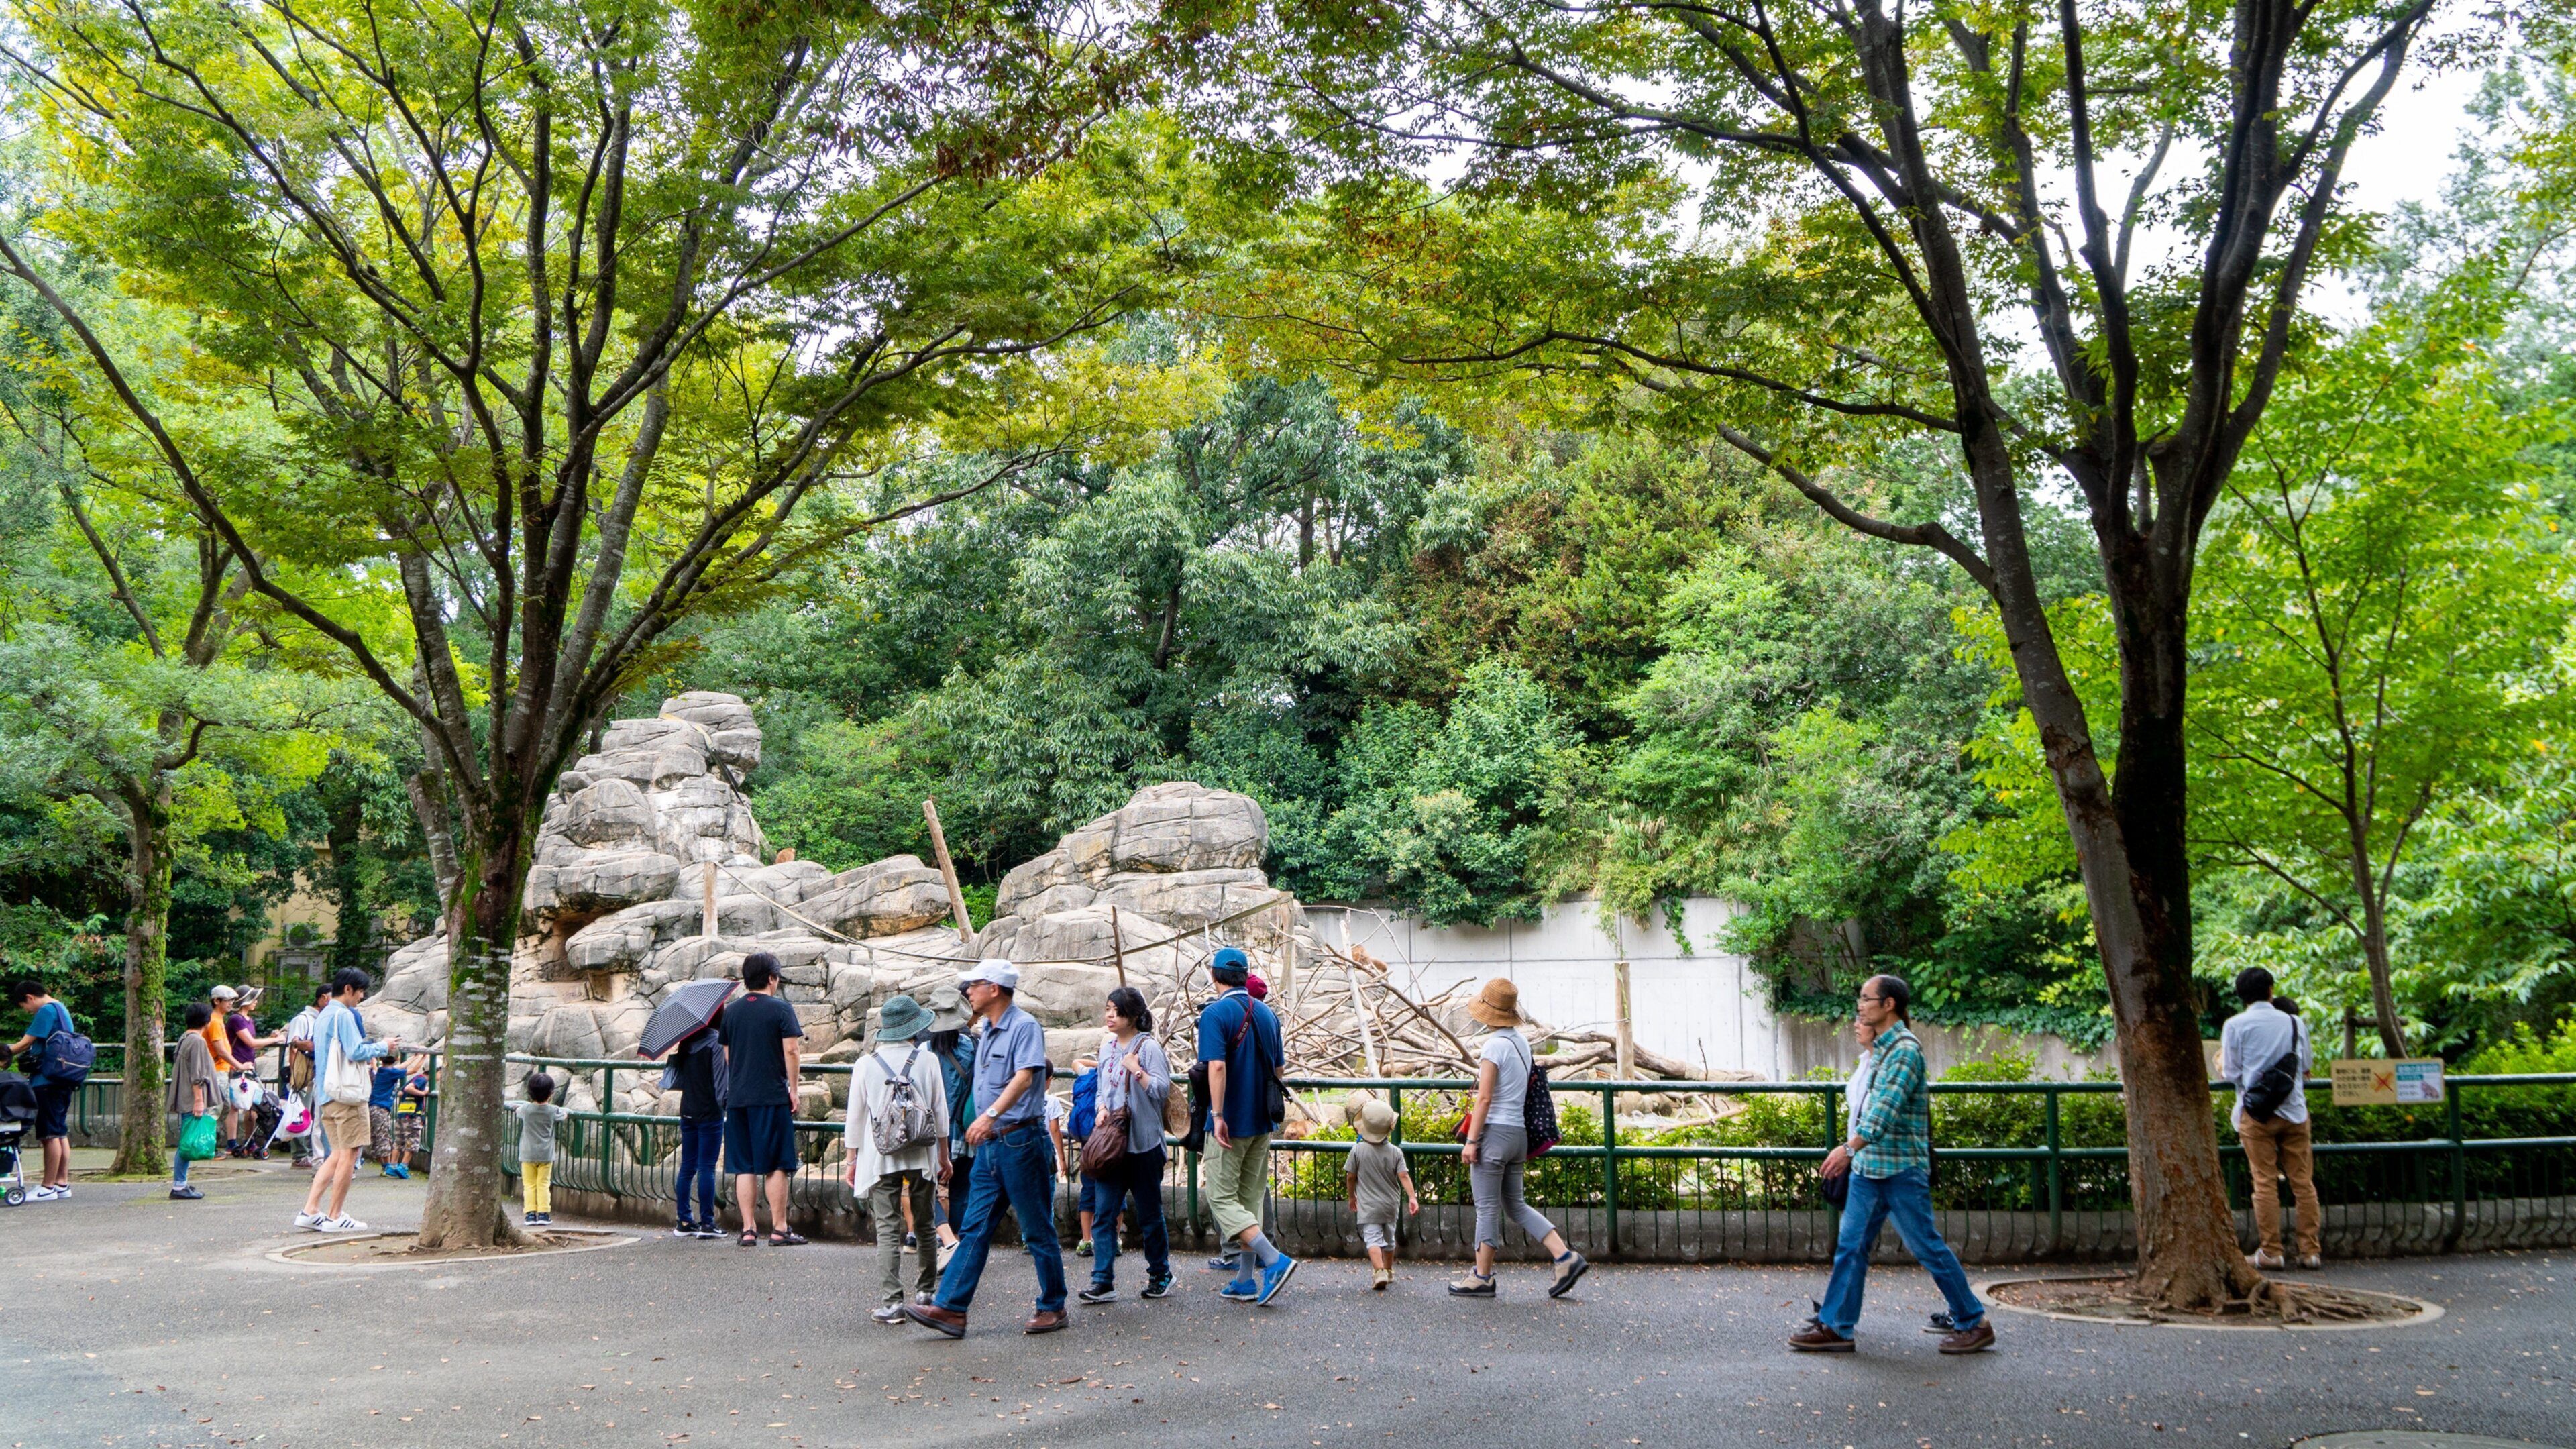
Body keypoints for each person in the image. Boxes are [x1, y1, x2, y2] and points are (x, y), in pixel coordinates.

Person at [1790, 974, 1992, 1355]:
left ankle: (1973, 1320)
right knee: (1850, 1247)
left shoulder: (1904, 1050)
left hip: (1899, 1171)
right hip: (1870, 1171)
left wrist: (1847, 1150)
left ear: (1889, 1005)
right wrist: (1856, 1154)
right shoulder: (1882, 1047)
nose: (1860, 1006)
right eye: (1860, 999)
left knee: (1927, 1247)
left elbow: (1881, 1115)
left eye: (1867, 999)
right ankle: (1836, 1327)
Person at [904, 959, 1069, 1338]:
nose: (969, 992)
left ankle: (1053, 1305)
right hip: (991, 1146)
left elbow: (1026, 1076)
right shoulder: (989, 1030)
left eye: (974, 985)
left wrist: (990, 1115)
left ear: (994, 988)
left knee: (1037, 1227)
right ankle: (951, 1309)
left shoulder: (1024, 1026)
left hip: (1019, 1141)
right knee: (975, 1228)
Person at [1450, 978, 1587, 1300]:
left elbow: (1484, 1099)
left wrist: (1471, 1141)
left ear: (1487, 1012)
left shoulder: (1493, 1045)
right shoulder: (1522, 1044)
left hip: (1494, 1136)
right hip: (1518, 1135)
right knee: (1515, 1204)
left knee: (1486, 1207)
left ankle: (1482, 1277)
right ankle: (1565, 1257)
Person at [1197, 946, 1297, 1307]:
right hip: (1263, 1120)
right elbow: (1279, 1070)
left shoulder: (1215, 1013)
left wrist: (1219, 1115)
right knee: (1250, 1198)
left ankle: (1274, 1261)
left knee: (1221, 1198)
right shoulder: (1268, 1014)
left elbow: (1217, 1067)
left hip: (1232, 1121)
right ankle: (1244, 1281)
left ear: (1214, 975)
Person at [845, 994, 952, 1324]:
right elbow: (939, 1112)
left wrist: (852, 1159)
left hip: (881, 1155)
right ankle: (926, 1292)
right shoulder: (927, 1060)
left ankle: (892, 1304)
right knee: (923, 1225)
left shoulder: (866, 1064)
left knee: (888, 1228)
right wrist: (944, 1157)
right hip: (922, 1154)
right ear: (913, 1028)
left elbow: (856, 1118)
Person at [1077, 986, 1174, 1305]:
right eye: (1107, 1009)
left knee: (1149, 1215)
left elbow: (1162, 1091)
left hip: (1143, 1145)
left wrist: (1138, 1071)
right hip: (1111, 1147)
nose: (1109, 1016)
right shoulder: (1106, 1048)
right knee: (1104, 1214)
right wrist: (1102, 1107)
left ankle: (1160, 1273)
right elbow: (1102, 1088)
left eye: (1115, 1011)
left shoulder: (1148, 1048)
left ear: (1132, 1016)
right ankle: (1103, 1281)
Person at [2221, 966, 2321, 1271]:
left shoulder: (2235, 1025)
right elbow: (2306, 1064)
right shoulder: (2294, 1022)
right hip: (2294, 1111)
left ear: (2241, 997)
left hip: (2257, 1114)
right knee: (2303, 1183)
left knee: (2264, 1183)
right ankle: (2310, 1252)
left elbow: (2233, 1072)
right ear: (2271, 990)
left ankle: (2272, 1252)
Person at [297, 967, 398, 1232]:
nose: (362, 997)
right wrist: (384, 1047)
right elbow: (355, 1051)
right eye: (361, 991)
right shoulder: (343, 1015)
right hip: (347, 1095)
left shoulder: (323, 1014)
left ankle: (310, 1210)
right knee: (351, 1153)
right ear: (349, 989)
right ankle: (335, 1215)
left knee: (337, 1153)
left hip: (327, 1093)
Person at [719, 952, 807, 1246]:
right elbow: (792, 1051)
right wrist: (793, 1089)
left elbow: (728, 1056)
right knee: (776, 1164)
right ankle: (780, 1228)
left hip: (739, 1097)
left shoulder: (730, 1012)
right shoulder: (781, 1009)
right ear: (772, 978)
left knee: (743, 1164)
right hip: (771, 1096)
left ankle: (747, 1229)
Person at [5, 980, 76, 1201]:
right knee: (60, 1132)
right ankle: (61, 1183)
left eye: (24, 1006)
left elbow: (25, 1044)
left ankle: (47, 1188)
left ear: (30, 997)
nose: (27, 1011)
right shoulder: (61, 1008)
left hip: (47, 1081)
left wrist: (5, 1052)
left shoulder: (45, 1010)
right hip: (64, 1079)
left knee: (49, 1135)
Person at [925, 984, 975, 1265]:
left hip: (929, 1134)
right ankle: (958, 1245)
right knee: (961, 1192)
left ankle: (948, 1241)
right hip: (964, 1131)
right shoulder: (974, 1047)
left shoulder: (922, 1051)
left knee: (925, 1190)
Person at [1345, 1097, 1418, 1289]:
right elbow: (1403, 1175)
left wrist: (1352, 1196)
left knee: (1373, 1240)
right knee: (1389, 1239)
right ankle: (1389, 1270)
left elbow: (1351, 1177)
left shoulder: (1357, 1151)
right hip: (1390, 1205)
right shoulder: (1396, 1152)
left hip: (1369, 1206)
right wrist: (1412, 1197)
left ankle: (1379, 1272)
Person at [667, 1028, 726, 1239]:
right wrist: (726, 1105)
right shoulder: (716, 1044)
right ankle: (707, 1223)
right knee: (707, 1168)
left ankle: (684, 1221)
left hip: (688, 1110)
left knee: (687, 1167)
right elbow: (721, 1082)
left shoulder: (686, 1042)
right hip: (709, 1112)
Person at [168, 1002, 225, 1201]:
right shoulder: (198, 1042)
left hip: (185, 1096)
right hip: (191, 1099)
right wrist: (199, 1100)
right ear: (206, 1021)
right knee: (188, 1143)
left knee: (187, 1140)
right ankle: (179, 1185)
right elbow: (197, 1074)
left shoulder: (186, 1038)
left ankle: (181, 1183)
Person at [282, 985, 331, 1168]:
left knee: (310, 1113)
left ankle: (308, 1152)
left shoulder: (322, 1019)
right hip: (301, 1072)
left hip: (314, 1071)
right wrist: (294, 1075)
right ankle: (300, 1154)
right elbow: (293, 1046)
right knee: (299, 1112)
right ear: (323, 998)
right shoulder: (302, 1019)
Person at [513, 1071, 570, 1226]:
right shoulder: (552, 1111)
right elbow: (563, 1116)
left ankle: (530, 1214)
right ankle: (544, 1214)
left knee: (529, 1185)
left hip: (527, 1154)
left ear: (529, 1093)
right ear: (551, 1094)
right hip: (546, 1155)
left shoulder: (526, 1109)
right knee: (543, 1184)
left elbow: (518, 1111)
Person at [368, 1055, 407, 1176]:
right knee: (383, 1136)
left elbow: (400, 1067)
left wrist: (416, 1057)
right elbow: (413, 1070)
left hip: (374, 1107)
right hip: (380, 1108)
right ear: (396, 1059)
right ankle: (388, 1167)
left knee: (378, 1136)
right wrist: (421, 1057)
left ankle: (386, 1166)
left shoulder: (382, 1070)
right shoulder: (390, 1073)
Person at [392, 1054, 431, 1175]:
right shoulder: (422, 1079)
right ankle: (403, 1166)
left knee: (399, 1141)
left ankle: (392, 1166)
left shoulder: (415, 1077)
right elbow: (408, 1089)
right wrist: (423, 1093)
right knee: (412, 1142)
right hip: (412, 1115)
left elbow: (400, 1093)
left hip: (402, 1113)